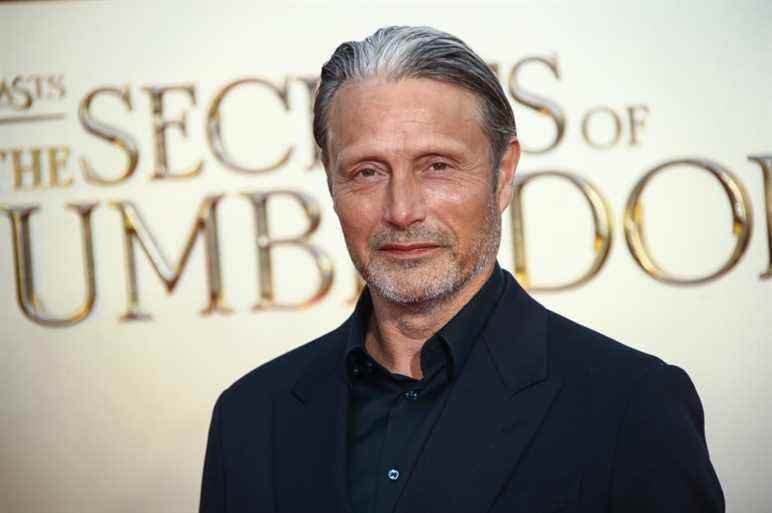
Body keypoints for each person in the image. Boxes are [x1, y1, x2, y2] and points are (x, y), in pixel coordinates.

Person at [199, 26, 724, 513]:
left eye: (438, 166)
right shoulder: (249, 418)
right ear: (332, 186)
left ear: (502, 176)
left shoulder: (631, 406)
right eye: (367, 171)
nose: (402, 210)